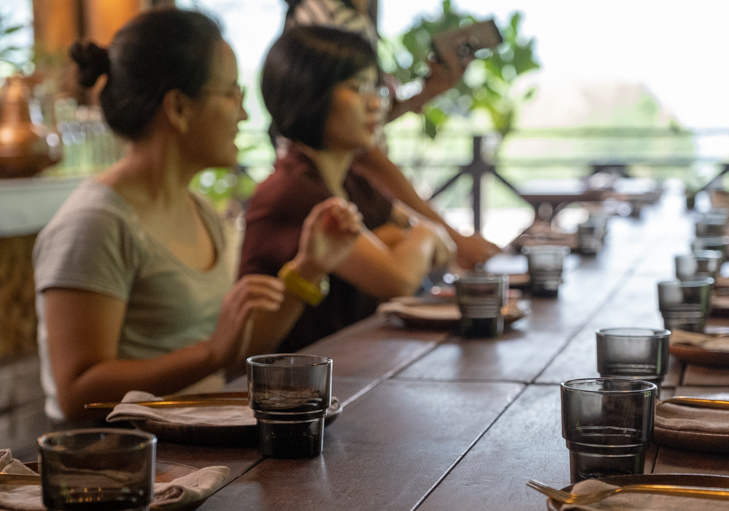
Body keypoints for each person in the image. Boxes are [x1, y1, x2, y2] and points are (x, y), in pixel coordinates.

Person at [33, 8, 362, 423]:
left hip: (195, 459)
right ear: (179, 108)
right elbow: (76, 393)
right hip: (120, 472)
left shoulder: (202, 212)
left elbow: (228, 357)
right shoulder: (94, 224)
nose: (243, 114)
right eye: (229, 94)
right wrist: (210, 353)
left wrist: (309, 270)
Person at [239, 25, 453, 350]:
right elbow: (399, 279)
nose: (375, 103)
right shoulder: (293, 191)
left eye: (375, 88)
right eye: (357, 87)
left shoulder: (352, 182)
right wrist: (423, 234)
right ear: (309, 93)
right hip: (282, 390)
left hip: (347, 373)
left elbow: (446, 250)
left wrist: (405, 240)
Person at [283, 0, 502, 268]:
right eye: (357, 87)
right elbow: (356, 146)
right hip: (334, 192)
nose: (373, 102)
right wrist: (452, 237)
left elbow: (358, 118)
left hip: (352, 192)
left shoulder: (354, 18)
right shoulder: (324, 14)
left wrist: (427, 91)